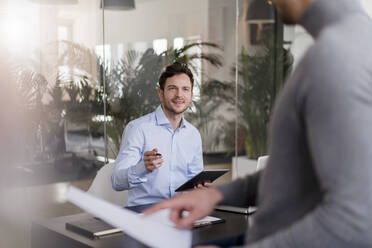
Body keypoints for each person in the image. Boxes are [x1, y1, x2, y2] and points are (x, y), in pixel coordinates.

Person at [145, 0, 372, 247]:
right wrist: (217, 194)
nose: (269, 1)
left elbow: (355, 220)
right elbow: (295, 174)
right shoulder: (354, 43)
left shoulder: (334, 59)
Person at [111, 62, 204, 206]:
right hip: (144, 214)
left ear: (191, 95)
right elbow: (117, 181)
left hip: (180, 212)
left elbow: (195, 180)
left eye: (185, 89)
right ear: (161, 94)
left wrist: (201, 187)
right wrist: (143, 167)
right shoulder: (138, 128)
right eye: (172, 88)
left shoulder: (193, 135)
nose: (179, 95)